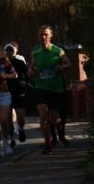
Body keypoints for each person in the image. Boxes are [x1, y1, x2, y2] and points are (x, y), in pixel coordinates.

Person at [27, 25, 71, 154]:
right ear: (38, 36)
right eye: (41, 34)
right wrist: (30, 71)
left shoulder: (58, 51)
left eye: (46, 34)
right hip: (40, 87)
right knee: (43, 118)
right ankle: (48, 144)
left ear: (51, 36)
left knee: (53, 119)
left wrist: (61, 67)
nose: (43, 37)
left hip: (56, 89)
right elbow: (31, 68)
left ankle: (60, 132)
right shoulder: (35, 52)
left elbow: (69, 64)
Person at [4, 42, 28, 146]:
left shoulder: (20, 62)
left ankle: (21, 129)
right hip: (6, 93)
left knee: (21, 116)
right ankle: (12, 139)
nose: (9, 52)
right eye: (7, 50)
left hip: (19, 91)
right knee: (9, 118)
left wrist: (24, 81)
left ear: (15, 51)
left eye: (11, 50)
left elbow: (28, 74)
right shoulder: (2, 63)